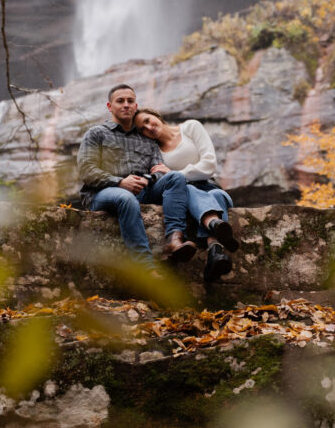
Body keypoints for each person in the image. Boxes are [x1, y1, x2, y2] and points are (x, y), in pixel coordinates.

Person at [77, 83, 197, 267]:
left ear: (135, 106)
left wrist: (147, 179)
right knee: (125, 197)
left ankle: (174, 240)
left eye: (130, 101)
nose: (126, 104)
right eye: (120, 101)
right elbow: (87, 170)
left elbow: (158, 170)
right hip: (102, 194)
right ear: (110, 106)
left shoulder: (147, 138)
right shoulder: (96, 134)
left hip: (142, 191)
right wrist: (119, 182)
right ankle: (146, 267)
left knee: (176, 178)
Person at [134, 109, 238, 283]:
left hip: (210, 185)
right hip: (185, 192)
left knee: (218, 194)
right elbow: (168, 181)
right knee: (190, 188)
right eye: (142, 129)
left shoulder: (191, 127)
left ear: (156, 116)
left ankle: (214, 240)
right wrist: (176, 177)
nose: (148, 127)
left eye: (147, 120)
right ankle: (216, 250)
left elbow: (209, 164)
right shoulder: (155, 152)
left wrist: (176, 172)